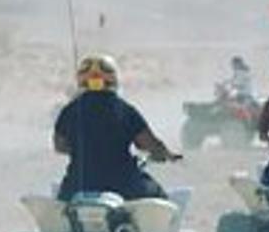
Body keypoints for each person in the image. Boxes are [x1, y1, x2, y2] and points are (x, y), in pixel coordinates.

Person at [53, 54, 179, 199]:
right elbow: (147, 143)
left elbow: (59, 146)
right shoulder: (125, 110)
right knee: (161, 197)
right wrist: (165, 153)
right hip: (124, 186)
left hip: (77, 186)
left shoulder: (69, 111)